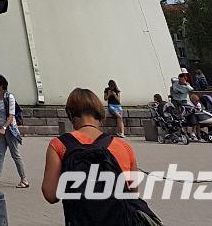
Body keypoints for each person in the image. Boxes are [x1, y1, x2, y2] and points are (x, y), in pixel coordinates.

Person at [41, 87, 140, 222]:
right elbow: (133, 196)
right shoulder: (124, 147)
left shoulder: (59, 145)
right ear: (100, 114)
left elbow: (50, 195)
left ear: (71, 114)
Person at [0, 75, 26, 189]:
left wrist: (4, 128)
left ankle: (24, 179)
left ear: (1, 85)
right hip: (0, 129)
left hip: (9, 129)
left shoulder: (9, 97)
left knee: (15, 154)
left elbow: (11, 116)